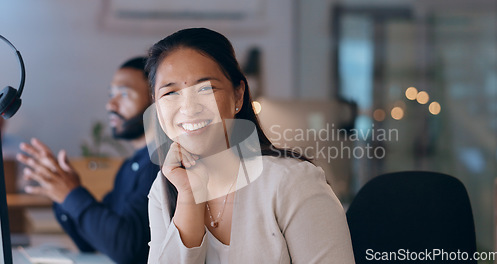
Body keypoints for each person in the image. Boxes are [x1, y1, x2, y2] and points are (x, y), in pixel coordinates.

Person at [145, 28, 355, 263]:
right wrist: (188, 197)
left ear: (238, 96)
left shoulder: (291, 181)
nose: (189, 108)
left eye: (206, 88)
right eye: (171, 93)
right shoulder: (164, 190)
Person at [16, 57, 159, 264]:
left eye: (124, 93)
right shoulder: (128, 168)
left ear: (156, 99)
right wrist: (62, 194)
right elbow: (93, 241)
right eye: (111, 94)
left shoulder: (161, 164)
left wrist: (71, 194)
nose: (110, 104)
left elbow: (126, 249)